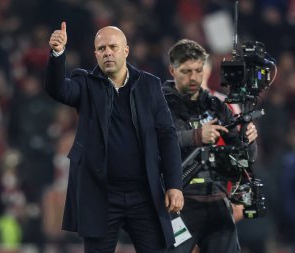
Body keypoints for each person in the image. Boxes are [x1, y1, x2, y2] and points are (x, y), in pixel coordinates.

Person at [45, 22, 184, 252]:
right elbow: (58, 89)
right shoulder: (86, 84)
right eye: (101, 49)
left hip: (144, 194)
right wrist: (58, 53)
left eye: (112, 47)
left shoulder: (149, 85)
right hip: (102, 195)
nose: (107, 52)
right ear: (95, 54)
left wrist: (174, 185)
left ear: (126, 50)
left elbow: (167, 136)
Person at [163, 39, 258, 253]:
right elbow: (157, 143)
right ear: (172, 70)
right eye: (186, 71)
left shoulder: (217, 106)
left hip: (216, 200)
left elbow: (245, 158)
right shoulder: (159, 104)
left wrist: (248, 139)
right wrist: (196, 136)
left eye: (198, 70)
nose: (194, 77)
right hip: (178, 203)